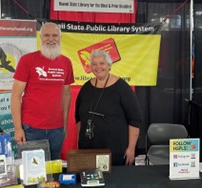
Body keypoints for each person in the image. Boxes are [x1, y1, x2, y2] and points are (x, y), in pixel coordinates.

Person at [11, 22, 74, 160]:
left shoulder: (66, 63)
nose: (51, 39)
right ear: (40, 37)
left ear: (60, 38)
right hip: (31, 129)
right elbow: (15, 96)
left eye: (54, 35)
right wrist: (17, 129)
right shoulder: (27, 60)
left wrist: (64, 124)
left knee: (53, 171)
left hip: (57, 129)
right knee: (32, 173)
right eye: (46, 35)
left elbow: (66, 94)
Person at [75, 50, 142, 165]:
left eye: (102, 63)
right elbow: (78, 118)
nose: (98, 67)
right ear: (90, 67)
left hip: (115, 152)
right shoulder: (86, 88)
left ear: (109, 66)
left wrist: (131, 149)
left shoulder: (122, 88)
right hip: (88, 151)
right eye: (94, 64)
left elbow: (135, 120)